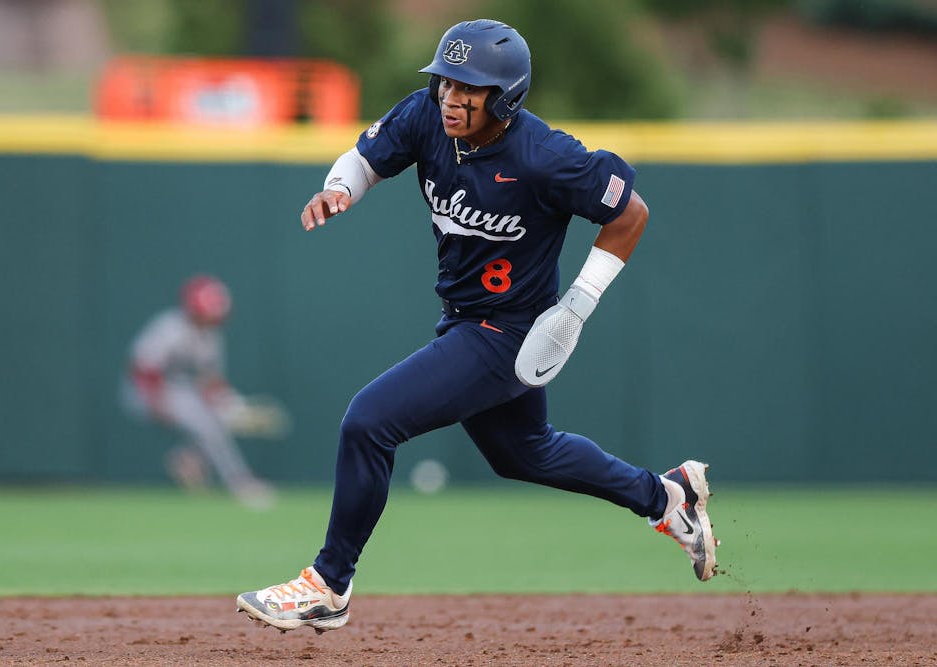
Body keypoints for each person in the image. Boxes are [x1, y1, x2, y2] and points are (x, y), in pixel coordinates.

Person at [237, 19, 718, 633]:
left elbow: (631, 213)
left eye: (471, 88)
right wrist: (339, 189)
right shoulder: (424, 117)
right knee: (525, 453)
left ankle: (329, 584)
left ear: (507, 96)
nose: (452, 98)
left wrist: (578, 302)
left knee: (369, 421)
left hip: (510, 333)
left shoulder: (544, 155)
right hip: (465, 320)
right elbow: (364, 159)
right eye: (446, 82)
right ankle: (668, 498)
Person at [121, 274, 275, 510]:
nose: (212, 319)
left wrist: (234, 406)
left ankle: (190, 458)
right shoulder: (170, 328)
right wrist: (157, 402)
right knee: (208, 424)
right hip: (144, 391)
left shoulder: (211, 337)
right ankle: (240, 483)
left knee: (216, 418)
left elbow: (210, 383)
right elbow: (142, 369)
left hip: (180, 391)